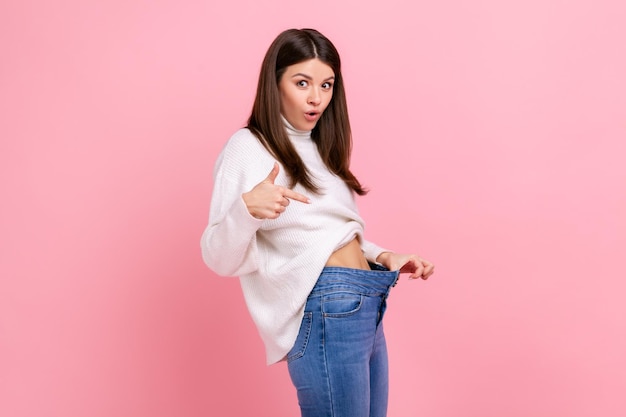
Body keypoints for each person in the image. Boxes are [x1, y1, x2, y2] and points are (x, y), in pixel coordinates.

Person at [201, 28, 434, 417]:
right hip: (328, 305)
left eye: (326, 85)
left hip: (366, 298)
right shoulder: (248, 147)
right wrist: (246, 209)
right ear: (274, 84)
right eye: (302, 82)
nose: (316, 97)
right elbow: (218, 258)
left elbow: (323, 234)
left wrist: (383, 255)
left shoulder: (321, 149)